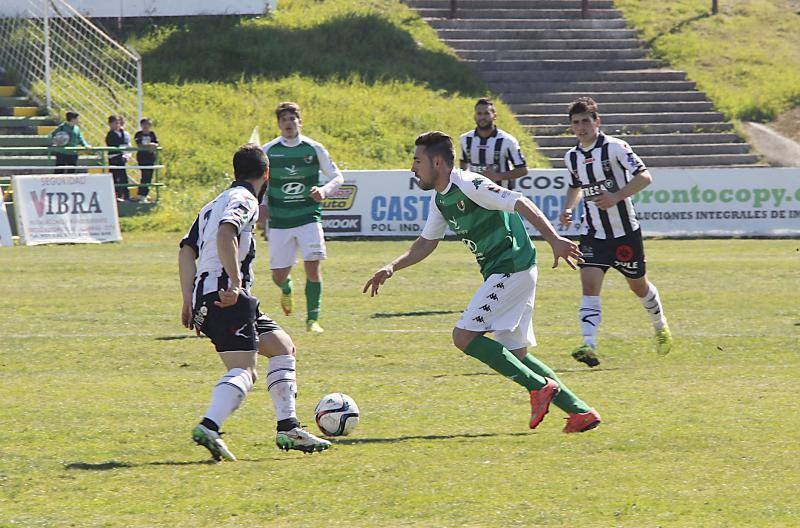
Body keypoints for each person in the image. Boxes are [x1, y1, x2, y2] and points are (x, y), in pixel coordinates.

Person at [363, 131, 601, 433]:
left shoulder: (469, 184)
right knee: (516, 355)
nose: (413, 168)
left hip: (510, 267)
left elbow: (519, 201)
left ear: (437, 162)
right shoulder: (441, 199)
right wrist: (391, 267)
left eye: (417, 161)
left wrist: (554, 239)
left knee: (463, 336)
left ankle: (538, 388)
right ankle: (580, 411)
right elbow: (426, 243)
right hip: (509, 270)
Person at [179, 143, 331, 461]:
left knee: (282, 347)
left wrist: (187, 301)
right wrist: (234, 282)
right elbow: (226, 234)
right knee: (245, 370)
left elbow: (186, 251)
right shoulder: (245, 199)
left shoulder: (211, 204)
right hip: (227, 296)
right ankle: (209, 426)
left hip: (216, 296)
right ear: (267, 174)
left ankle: (288, 427)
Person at [559, 97, 673, 368]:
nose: (581, 127)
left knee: (638, 286)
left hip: (625, 233)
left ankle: (660, 325)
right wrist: (568, 209)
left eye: (586, 121)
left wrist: (616, 196)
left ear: (597, 121)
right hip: (593, 234)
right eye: (576, 123)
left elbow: (644, 176)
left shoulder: (616, 148)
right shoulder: (572, 157)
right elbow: (575, 186)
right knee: (588, 285)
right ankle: (589, 344)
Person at [259, 102, 344, 333]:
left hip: (308, 218)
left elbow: (337, 177)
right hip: (279, 221)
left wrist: (324, 191)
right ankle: (286, 289)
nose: (288, 123)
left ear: (299, 122)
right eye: (284, 119)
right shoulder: (268, 151)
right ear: (278, 124)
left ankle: (312, 320)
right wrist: (262, 205)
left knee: (313, 269)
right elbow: (259, 183)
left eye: (292, 118)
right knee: (278, 275)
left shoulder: (313, 148)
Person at [459, 98, 527, 189]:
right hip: (475, 195)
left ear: (494, 116)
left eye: (487, 113)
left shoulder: (507, 140)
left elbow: (522, 170)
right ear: (475, 116)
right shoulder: (465, 139)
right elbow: (463, 164)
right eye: (479, 114)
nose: (482, 117)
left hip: (501, 196)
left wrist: (498, 176)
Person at [134, 118, 159, 203]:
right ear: (141, 125)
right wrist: (149, 145)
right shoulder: (138, 134)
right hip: (142, 157)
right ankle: (141, 195)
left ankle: (144, 194)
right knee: (145, 175)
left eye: (148, 125)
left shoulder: (152, 134)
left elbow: (156, 143)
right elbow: (140, 145)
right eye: (145, 124)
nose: (146, 126)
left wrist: (153, 146)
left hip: (151, 157)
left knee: (149, 176)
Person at [105, 115, 130, 201]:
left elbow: (125, 144)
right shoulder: (111, 134)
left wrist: (125, 155)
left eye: (118, 123)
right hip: (114, 158)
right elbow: (115, 145)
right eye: (115, 123)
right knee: (115, 177)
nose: (118, 125)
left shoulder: (121, 133)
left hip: (121, 158)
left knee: (123, 177)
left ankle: (125, 195)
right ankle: (116, 195)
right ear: (110, 124)